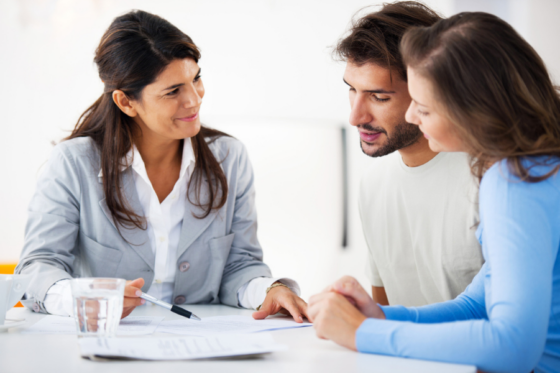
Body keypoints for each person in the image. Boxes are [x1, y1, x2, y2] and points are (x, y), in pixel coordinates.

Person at [16, 10, 308, 322]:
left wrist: (269, 290)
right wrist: (88, 296)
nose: (194, 100)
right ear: (126, 102)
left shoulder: (229, 158)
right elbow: (37, 268)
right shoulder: (73, 163)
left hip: (206, 340)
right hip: (110, 342)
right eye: (173, 91)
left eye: (195, 79)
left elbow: (239, 266)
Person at [309, 11, 560, 373]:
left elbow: (512, 347)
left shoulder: (513, 181)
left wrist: (364, 334)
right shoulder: (532, 167)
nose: (413, 116)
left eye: (424, 107)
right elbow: (477, 304)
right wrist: (380, 317)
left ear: (471, 110)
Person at [336, 1, 482, 307]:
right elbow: (384, 314)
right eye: (352, 89)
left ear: (428, 88)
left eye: (379, 97)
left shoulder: (490, 176)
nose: (356, 116)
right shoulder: (373, 185)